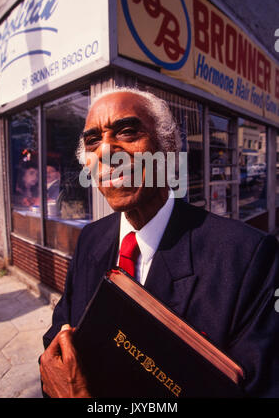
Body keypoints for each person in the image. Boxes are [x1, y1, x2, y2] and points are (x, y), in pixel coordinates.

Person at [39, 88, 279, 398]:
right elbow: (57, 342)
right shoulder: (90, 239)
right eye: (92, 141)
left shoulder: (247, 256)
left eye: (126, 131)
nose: (106, 150)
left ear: (166, 149)